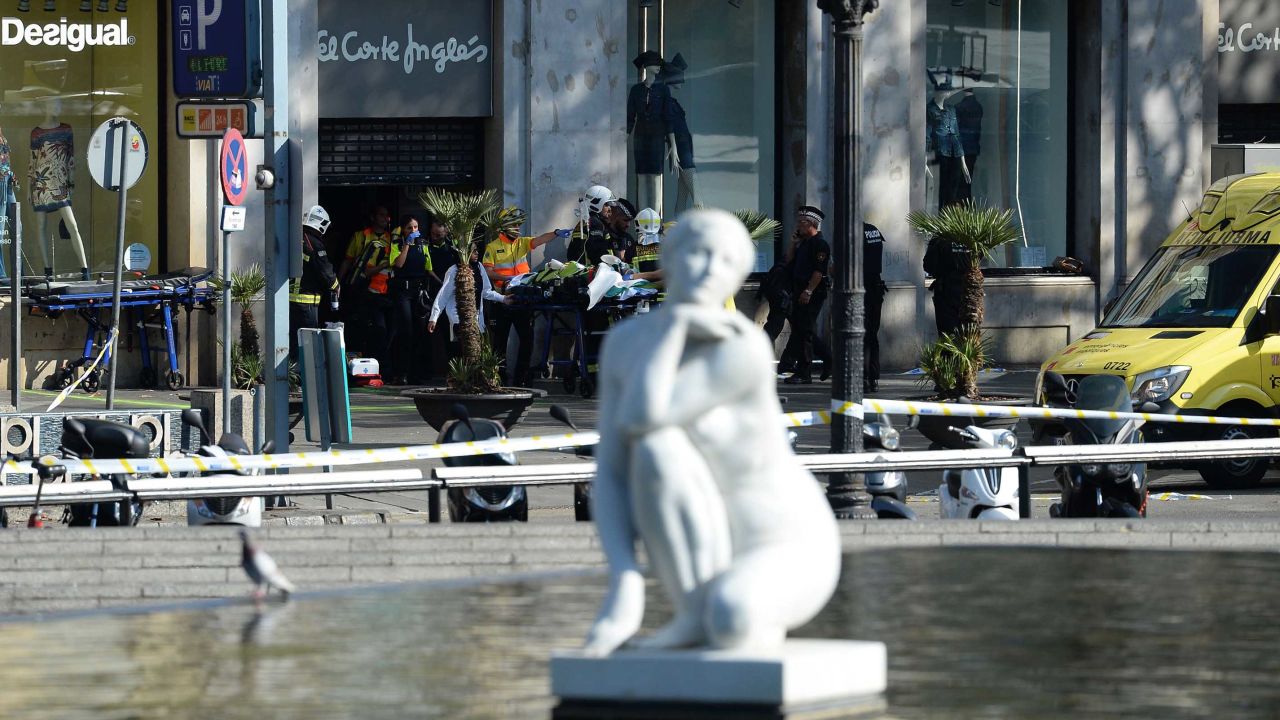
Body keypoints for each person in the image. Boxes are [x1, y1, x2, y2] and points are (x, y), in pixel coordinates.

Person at [583, 208, 839, 657]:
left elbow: (646, 412)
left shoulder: (742, 347)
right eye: (697, 253)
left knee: (733, 617)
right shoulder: (625, 343)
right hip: (711, 543)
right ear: (672, 257)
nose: (707, 270)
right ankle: (691, 611)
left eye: (725, 262)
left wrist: (677, 323)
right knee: (655, 450)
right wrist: (624, 579)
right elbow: (612, 471)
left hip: (785, 540)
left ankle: (702, 615)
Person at [482, 206, 562, 386]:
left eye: (519, 226)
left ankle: (521, 379)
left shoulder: (521, 243)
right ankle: (499, 380)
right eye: (515, 226)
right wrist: (507, 278)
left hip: (522, 300)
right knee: (499, 344)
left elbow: (540, 240)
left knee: (527, 340)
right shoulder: (493, 247)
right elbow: (487, 272)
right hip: (502, 299)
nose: (518, 229)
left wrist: (556, 233)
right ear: (505, 226)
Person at [428, 242, 508, 358]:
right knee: (462, 355)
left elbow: (486, 291)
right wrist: (434, 318)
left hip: (477, 320)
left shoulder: (479, 267)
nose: (477, 253)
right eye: (473, 251)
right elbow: (443, 296)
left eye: (477, 250)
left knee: (476, 355)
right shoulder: (454, 270)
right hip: (459, 320)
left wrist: (504, 298)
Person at [338, 206, 399, 354]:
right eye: (381, 215)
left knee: (384, 330)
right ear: (373, 217)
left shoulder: (392, 239)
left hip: (384, 292)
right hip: (361, 289)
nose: (385, 218)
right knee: (361, 327)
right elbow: (347, 261)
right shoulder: (360, 236)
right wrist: (338, 283)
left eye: (387, 215)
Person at [781, 205, 831, 384]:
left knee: (804, 331)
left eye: (801, 222)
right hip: (799, 290)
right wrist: (792, 244)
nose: (798, 226)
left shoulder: (820, 244)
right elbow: (788, 260)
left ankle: (805, 371)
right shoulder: (803, 242)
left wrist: (808, 291)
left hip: (812, 292)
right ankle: (825, 360)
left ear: (810, 224)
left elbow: (819, 271)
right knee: (802, 330)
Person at [288, 205, 339, 361]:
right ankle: (304, 380)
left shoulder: (296, 237)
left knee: (294, 343)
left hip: (290, 301)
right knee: (307, 345)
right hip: (306, 303)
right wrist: (336, 286)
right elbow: (325, 270)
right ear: (320, 223)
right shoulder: (314, 243)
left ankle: (293, 378)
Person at [388, 214, 433, 385]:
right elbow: (397, 264)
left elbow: (429, 268)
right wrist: (407, 244)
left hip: (419, 291)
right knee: (405, 331)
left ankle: (417, 373)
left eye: (416, 227)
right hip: (403, 292)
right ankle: (402, 372)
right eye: (409, 228)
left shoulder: (423, 244)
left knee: (420, 332)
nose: (414, 231)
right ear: (403, 230)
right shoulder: (397, 244)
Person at [923, 232, 970, 338]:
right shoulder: (969, 236)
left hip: (946, 292)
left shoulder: (940, 239)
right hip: (969, 291)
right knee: (967, 334)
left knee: (947, 336)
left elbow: (928, 266)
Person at [567, 185, 618, 266]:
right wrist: (610, 267)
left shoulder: (587, 221)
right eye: (606, 204)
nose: (609, 208)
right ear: (597, 204)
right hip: (594, 273)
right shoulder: (595, 223)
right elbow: (598, 252)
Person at [863, 222, 887, 394]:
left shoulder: (853, 232)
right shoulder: (874, 230)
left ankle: (863, 377)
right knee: (872, 335)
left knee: (861, 335)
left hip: (860, 288)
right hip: (875, 287)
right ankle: (873, 378)